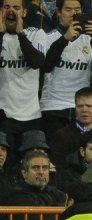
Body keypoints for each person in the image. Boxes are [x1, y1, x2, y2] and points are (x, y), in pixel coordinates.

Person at [39, 0, 92, 138]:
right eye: (68, 9)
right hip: (53, 108)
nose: (73, 13)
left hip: (82, 109)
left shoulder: (89, 39)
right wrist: (65, 38)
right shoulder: (47, 37)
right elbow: (46, 66)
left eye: (77, 10)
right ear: (58, 12)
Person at [0, 0, 48, 151]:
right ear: (1, 11)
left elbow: (36, 62)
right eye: (6, 7)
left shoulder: (37, 34)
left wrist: (21, 34)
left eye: (16, 7)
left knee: (31, 162)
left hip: (32, 115)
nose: (11, 11)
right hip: (4, 115)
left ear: (24, 12)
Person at [49, 87, 92, 167]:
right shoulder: (61, 136)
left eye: (89, 106)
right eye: (80, 106)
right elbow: (59, 169)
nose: (84, 110)